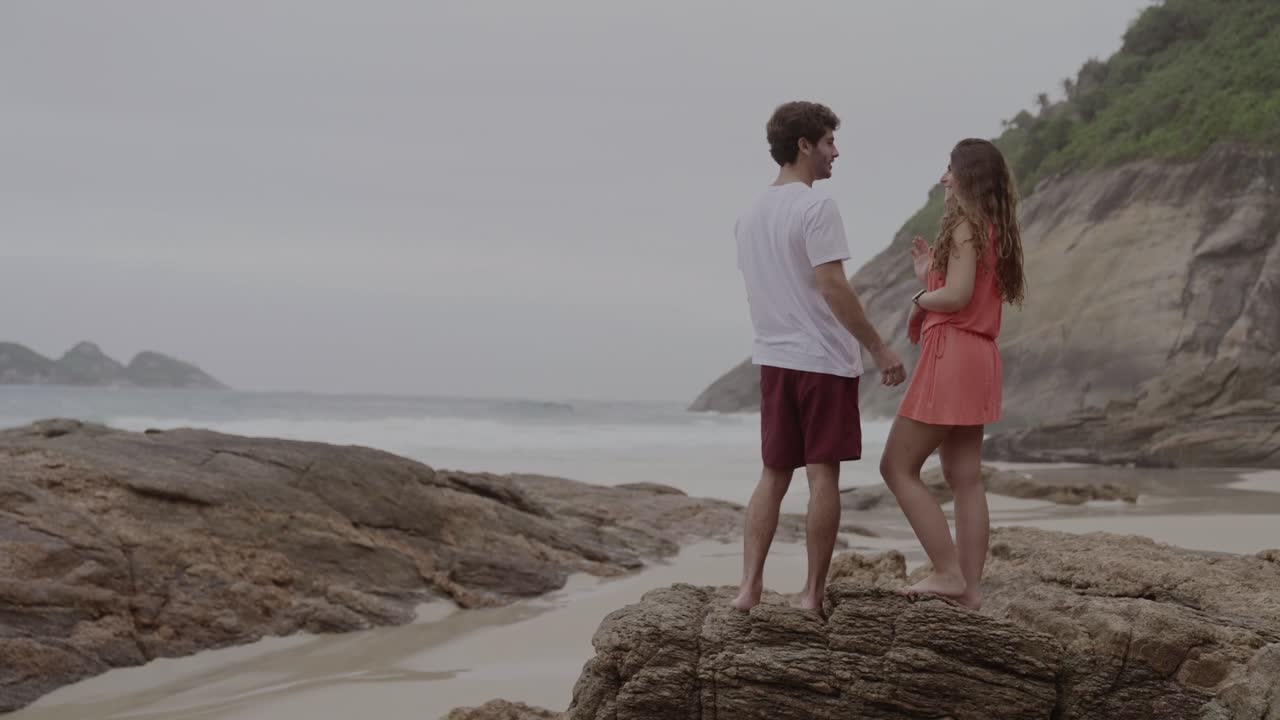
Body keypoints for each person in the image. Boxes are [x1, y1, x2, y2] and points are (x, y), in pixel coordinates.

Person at [731, 101, 906, 616]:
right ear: (804, 145)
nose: (836, 152)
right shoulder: (815, 207)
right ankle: (811, 594)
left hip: (773, 358)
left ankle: (749, 588)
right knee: (821, 476)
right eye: (828, 141)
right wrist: (878, 347)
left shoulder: (749, 214)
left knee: (772, 474)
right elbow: (832, 286)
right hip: (823, 360)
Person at [879, 138, 1027, 610]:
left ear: (965, 176)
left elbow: (959, 297)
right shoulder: (993, 228)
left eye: (949, 169)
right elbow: (970, 291)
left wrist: (920, 300)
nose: (943, 178)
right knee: (964, 475)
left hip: (953, 355)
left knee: (896, 467)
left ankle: (947, 572)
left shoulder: (964, 226)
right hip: (980, 356)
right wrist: (930, 276)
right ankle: (970, 589)